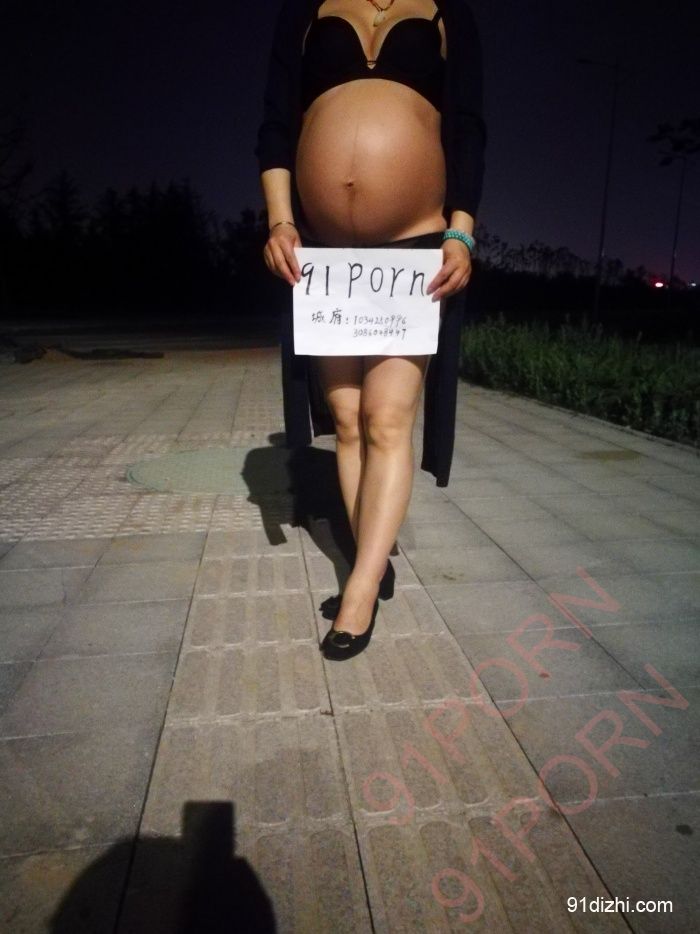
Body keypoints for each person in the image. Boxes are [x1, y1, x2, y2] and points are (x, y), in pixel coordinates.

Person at [256, 0, 486, 660]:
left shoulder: (446, 10)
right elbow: (276, 122)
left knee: (387, 419)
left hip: (414, 245)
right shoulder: (305, 7)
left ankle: (360, 590)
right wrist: (279, 221)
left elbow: (467, 125)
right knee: (348, 420)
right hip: (323, 253)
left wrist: (462, 233)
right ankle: (370, 556)